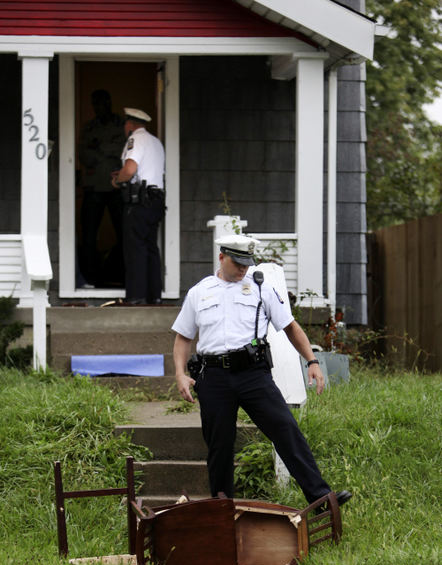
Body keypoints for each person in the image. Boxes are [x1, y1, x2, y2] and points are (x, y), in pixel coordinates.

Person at [171, 234, 353, 507]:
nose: (244, 268)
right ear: (221, 258)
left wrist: (312, 361)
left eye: (247, 262)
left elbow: (291, 327)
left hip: (252, 375)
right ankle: (221, 509)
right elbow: (183, 337)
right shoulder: (200, 292)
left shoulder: (260, 288)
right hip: (214, 376)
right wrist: (180, 373)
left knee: (285, 429)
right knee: (219, 445)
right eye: (237, 262)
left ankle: (321, 499)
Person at [111, 108, 165, 305]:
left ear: (130, 124)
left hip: (140, 201)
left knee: (135, 248)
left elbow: (130, 168)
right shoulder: (156, 142)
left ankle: (136, 297)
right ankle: (154, 295)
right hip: (156, 199)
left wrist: (118, 180)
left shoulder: (136, 139)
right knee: (151, 247)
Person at [78, 89, 126, 287]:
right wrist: (105, 153)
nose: (99, 107)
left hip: (116, 189)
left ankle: (122, 275)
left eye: (102, 103)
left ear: (109, 102)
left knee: (124, 233)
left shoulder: (121, 125)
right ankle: (90, 277)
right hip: (94, 187)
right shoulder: (89, 127)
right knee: (89, 235)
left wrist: (99, 149)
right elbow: (83, 154)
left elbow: (123, 150)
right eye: (95, 103)